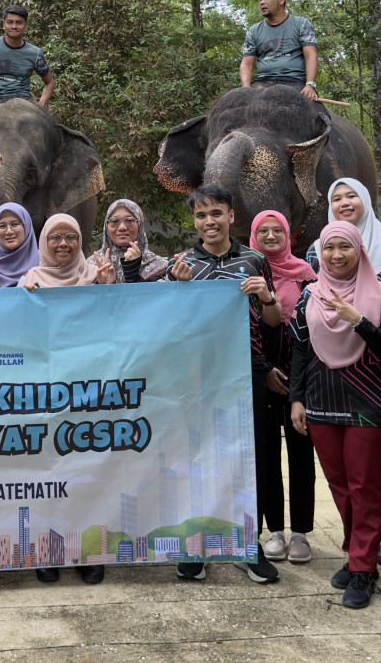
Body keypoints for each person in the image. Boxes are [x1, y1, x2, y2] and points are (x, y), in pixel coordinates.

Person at [167, 184, 282, 585]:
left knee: (253, 461)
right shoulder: (180, 264)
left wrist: (267, 296)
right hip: (197, 378)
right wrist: (177, 290)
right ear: (194, 222)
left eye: (216, 213)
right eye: (201, 215)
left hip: (246, 373)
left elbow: (273, 321)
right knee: (197, 460)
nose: (209, 221)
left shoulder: (254, 260)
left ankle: (250, 546)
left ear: (232, 216)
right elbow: (168, 325)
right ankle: (196, 547)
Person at [308, 177, 381, 567]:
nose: (344, 202)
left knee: (378, 462)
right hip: (330, 382)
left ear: (366, 201)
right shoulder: (317, 252)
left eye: (352, 196)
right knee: (349, 472)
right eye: (336, 197)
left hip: (378, 373)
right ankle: (360, 545)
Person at [289, 221, 381, 610]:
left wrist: (357, 319)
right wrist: (296, 399)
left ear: (360, 250)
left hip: (369, 403)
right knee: (340, 486)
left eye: (345, 247)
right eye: (330, 247)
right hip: (321, 402)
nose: (337, 255)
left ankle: (362, 568)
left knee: (365, 487)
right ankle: (359, 555)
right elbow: (300, 350)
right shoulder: (309, 295)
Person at [18, 214, 116, 584]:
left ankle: (89, 550)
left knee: (88, 472)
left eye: (71, 237)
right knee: (48, 473)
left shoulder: (96, 276)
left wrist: (107, 290)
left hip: (89, 392)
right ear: (44, 242)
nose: (63, 244)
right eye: (55, 237)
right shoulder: (29, 282)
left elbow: (115, 329)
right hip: (44, 395)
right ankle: (48, 550)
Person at [248, 210, 317, 568]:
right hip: (262, 373)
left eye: (278, 230)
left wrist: (296, 381)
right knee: (266, 456)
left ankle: (301, 532)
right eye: (264, 231)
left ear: (289, 234)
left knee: (301, 454)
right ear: (254, 236)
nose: (271, 236)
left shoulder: (306, 274)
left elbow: (312, 328)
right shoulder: (248, 270)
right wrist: (265, 370)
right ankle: (274, 530)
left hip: (299, 375)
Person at [239, 0, 320, 102]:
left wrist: (310, 85)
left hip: (295, 83)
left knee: (322, 117)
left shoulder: (302, 24)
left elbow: (311, 55)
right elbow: (246, 64)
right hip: (262, 84)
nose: (262, 2)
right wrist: (246, 89)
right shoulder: (253, 31)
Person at [0, 5, 53, 105]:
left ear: (26, 26)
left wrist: (40, 105)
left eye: (19, 23)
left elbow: (50, 82)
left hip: (23, 103)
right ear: (4, 25)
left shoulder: (35, 53)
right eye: (10, 22)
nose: (14, 26)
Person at [89, 198, 169, 283]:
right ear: (106, 226)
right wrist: (103, 286)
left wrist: (133, 274)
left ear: (140, 225)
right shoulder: (90, 266)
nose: (122, 227)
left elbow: (163, 295)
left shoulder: (160, 267)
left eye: (130, 220)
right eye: (114, 221)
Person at [0, 203, 40, 287]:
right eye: (2, 226)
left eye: (14, 224)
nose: (9, 231)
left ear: (27, 226)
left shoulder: (45, 263)